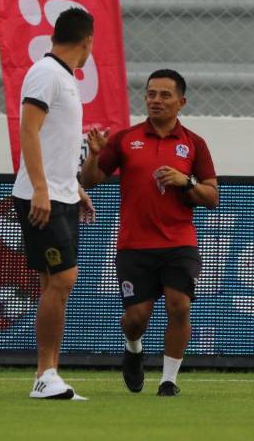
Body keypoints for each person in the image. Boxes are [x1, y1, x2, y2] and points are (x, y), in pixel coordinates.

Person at [81, 69, 218, 397]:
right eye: (151, 94)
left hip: (179, 241)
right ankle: (133, 348)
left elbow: (212, 197)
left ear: (181, 102)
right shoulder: (126, 138)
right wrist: (96, 154)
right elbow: (89, 181)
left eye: (165, 95)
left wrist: (186, 182)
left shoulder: (194, 144)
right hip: (134, 243)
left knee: (179, 305)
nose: (156, 100)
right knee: (137, 316)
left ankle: (168, 380)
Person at [12, 8, 95, 400]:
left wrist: (73, 187)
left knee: (53, 281)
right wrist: (42, 189)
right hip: (39, 195)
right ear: (87, 43)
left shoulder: (62, 77)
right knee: (62, 279)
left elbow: (55, 142)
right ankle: (45, 374)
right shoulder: (46, 74)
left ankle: (49, 373)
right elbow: (28, 129)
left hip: (60, 192)